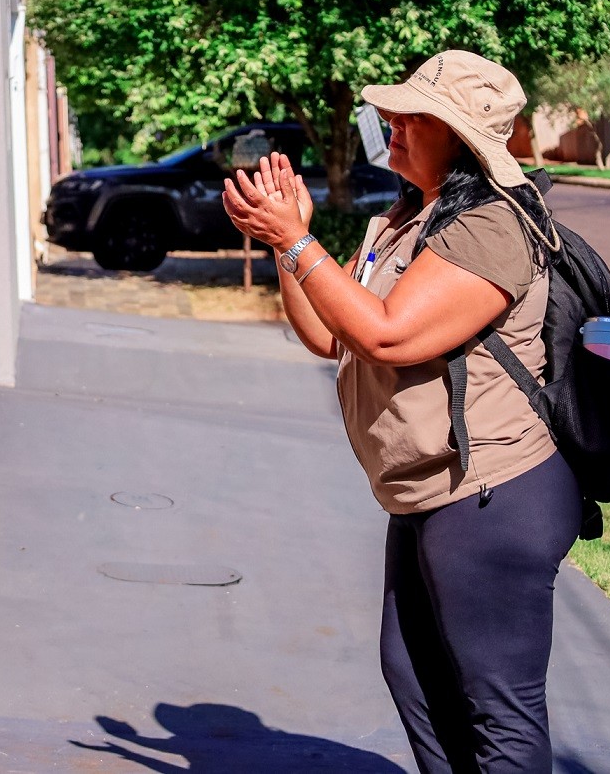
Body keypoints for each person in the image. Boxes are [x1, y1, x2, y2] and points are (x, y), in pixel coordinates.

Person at [222, 50, 578, 774]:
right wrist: (287, 245)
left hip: (493, 495)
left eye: (417, 116)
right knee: (416, 678)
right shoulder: (404, 220)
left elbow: (390, 333)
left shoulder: (492, 226)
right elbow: (333, 333)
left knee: (497, 709)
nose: (394, 123)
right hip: (425, 493)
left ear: (461, 135)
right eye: (397, 112)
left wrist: (297, 240)